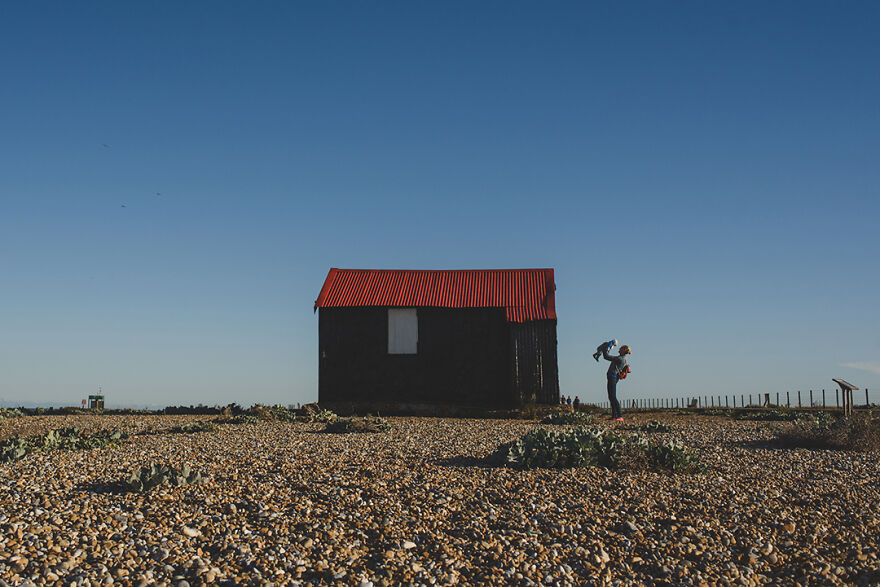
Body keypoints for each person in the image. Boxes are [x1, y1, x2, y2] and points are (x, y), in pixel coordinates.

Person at [602, 344, 631, 421]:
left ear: (623, 350)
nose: (619, 349)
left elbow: (606, 357)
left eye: (620, 349)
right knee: (611, 397)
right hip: (612, 377)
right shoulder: (622, 358)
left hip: (613, 377)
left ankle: (620, 416)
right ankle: (614, 416)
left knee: (613, 397)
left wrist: (606, 349)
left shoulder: (620, 359)